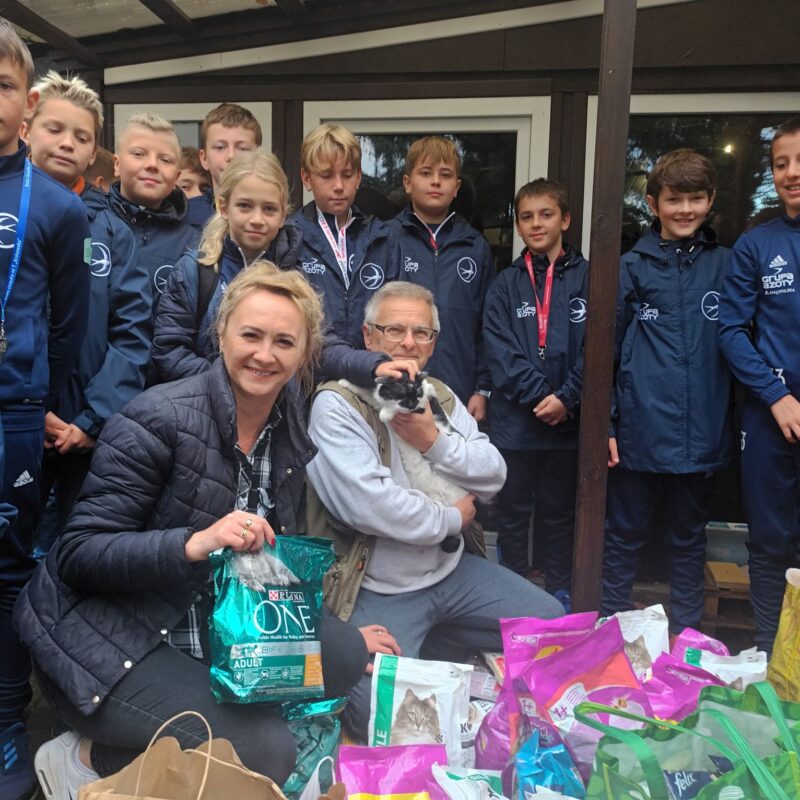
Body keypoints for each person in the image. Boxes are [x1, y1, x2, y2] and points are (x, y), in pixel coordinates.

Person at [14, 263, 373, 799]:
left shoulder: (288, 419)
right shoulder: (158, 418)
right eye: (250, 335)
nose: (265, 355)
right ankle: (84, 758)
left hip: (205, 612)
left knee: (343, 654)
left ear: (305, 353)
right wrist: (195, 543)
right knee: (265, 752)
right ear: (221, 334)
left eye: (284, 342)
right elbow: (80, 554)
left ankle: (209, 717)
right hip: (105, 636)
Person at [306, 281, 563, 740]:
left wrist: (433, 441)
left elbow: (493, 474)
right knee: (381, 714)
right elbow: (371, 507)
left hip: (449, 573)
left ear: (433, 342)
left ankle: (439, 637)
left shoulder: (437, 394)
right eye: (394, 330)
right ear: (368, 336)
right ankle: (431, 643)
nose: (408, 343)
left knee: (552, 626)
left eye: (421, 333)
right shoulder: (338, 403)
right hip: (376, 587)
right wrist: (451, 518)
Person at [0, 22, 92, 799]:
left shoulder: (58, 207)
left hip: (14, 416)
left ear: (27, 103)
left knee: (7, 573)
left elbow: (68, 326)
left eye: (1, 85)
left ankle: (5, 725)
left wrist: (47, 404)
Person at [602, 149, 732, 634]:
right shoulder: (630, 266)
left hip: (702, 431)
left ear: (710, 200)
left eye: (695, 199)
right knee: (624, 535)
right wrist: (607, 423)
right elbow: (605, 353)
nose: (685, 209)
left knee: (688, 539)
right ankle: (611, 631)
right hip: (638, 430)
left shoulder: (726, 264)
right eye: (674, 199)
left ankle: (688, 637)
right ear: (653, 203)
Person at [25, 71, 152, 546]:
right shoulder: (7, 216)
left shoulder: (114, 232)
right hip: (14, 420)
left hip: (87, 430)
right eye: (54, 129)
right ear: (26, 129)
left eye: (81, 137)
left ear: (94, 150)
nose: (67, 143)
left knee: (77, 553)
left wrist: (92, 418)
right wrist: (26, 409)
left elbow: (132, 332)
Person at [483, 179, 588, 611]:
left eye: (546, 214)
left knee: (559, 514)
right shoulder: (505, 284)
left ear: (565, 219)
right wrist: (542, 396)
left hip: (567, 424)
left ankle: (560, 591)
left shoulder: (591, 278)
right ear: (518, 225)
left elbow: (602, 346)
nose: (536, 224)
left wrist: (568, 397)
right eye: (526, 217)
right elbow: (499, 350)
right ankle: (513, 595)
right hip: (516, 423)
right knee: (512, 513)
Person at [718, 117, 800, 654]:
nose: (792, 173)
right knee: (770, 543)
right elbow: (731, 331)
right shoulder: (756, 244)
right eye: (781, 163)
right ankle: (773, 654)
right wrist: (777, 396)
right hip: (772, 416)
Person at [152, 150, 301, 383]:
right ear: (223, 207)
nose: (257, 219)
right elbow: (170, 351)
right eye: (244, 206)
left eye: (269, 209)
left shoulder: (296, 274)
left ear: (283, 215)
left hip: (272, 400)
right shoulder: (194, 270)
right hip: (206, 400)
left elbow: (304, 353)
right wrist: (230, 383)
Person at [388, 136, 492, 416]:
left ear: (456, 188)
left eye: (445, 175)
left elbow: (486, 324)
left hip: (459, 386)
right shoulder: (386, 238)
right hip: (398, 383)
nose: (436, 182)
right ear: (408, 183)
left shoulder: (475, 246)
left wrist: (482, 388)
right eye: (426, 173)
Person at [292, 124, 401, 361]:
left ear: (359, 177)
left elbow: (396, 315)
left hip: (370, 370)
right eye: (326, 175)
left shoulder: (382, 238)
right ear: (306, 178)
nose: (339, 186)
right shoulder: (290, 237)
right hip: (309, 371)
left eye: (347, 174)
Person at [108, 113, 198, 311]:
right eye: (138, 154)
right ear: (117, 164)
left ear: (176, 177)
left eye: (165, 159)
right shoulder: (91, 221)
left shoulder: (192, 244)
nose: (152, 165)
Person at [187, 103, 262, 231]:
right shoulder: (186, 218)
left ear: (258, 156)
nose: (231, 156)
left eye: (243, 148)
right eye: (220, 147)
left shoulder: (271, 215)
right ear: (204, 159)